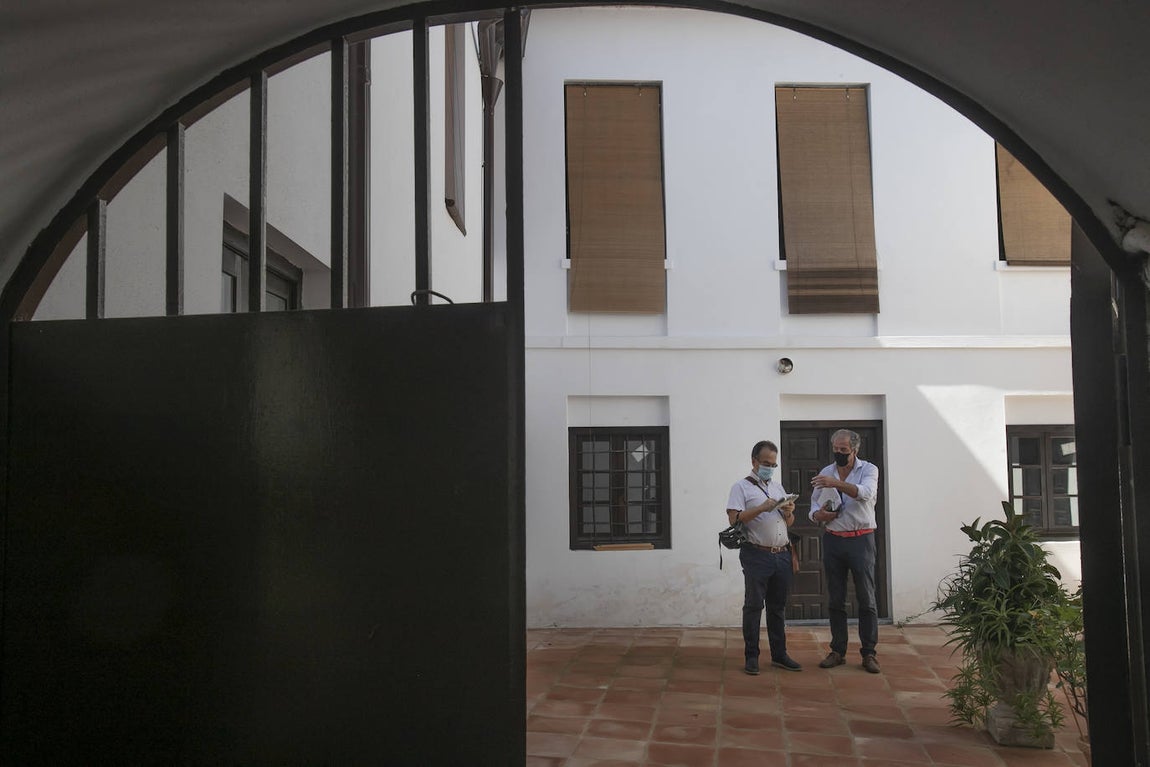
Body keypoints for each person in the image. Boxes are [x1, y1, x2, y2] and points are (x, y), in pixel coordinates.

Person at [726, 440, 801, 675]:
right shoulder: (741, 487)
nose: (770, 467)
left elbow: (789, 523)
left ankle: (779, 654)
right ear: (754, 461)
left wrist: (788, 513)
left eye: (773, 464)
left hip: (781, 554)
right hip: (756, 554)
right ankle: (752, 656)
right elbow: (734, 519)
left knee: (777, 608)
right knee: (754, 606)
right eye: (766, 463)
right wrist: (761, 508)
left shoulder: (778, 488)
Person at [810, 428, 882, 673]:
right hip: (834, 539)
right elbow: (813, 507)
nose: (839, 453)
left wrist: (837, 484)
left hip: (861, 539)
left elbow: (867, 494)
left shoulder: (869, 470)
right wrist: (818, 515)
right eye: (836, 449)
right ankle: (837, 650)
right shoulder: (825, 472)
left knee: (866, 599)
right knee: (836, 599)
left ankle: (869, 653)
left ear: (855, 449)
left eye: (844, 450)